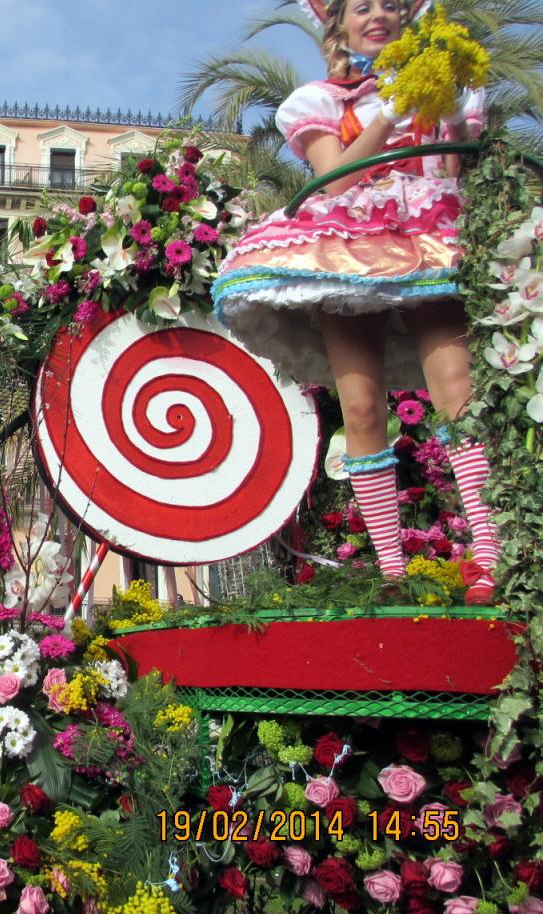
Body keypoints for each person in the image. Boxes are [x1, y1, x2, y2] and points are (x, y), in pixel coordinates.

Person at [213, 0, 498, 602]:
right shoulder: (321, 101)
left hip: (429, 238)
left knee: (458, 394)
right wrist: (388, 114)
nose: (377, 15)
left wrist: (445, 111)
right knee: (363, 409)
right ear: (337, 25)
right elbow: (333, 178)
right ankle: (392, 573)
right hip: (345, 251)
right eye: (361, 7)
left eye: (389, 4)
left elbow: (453, 171)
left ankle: (492, 558)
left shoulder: (451, 86)